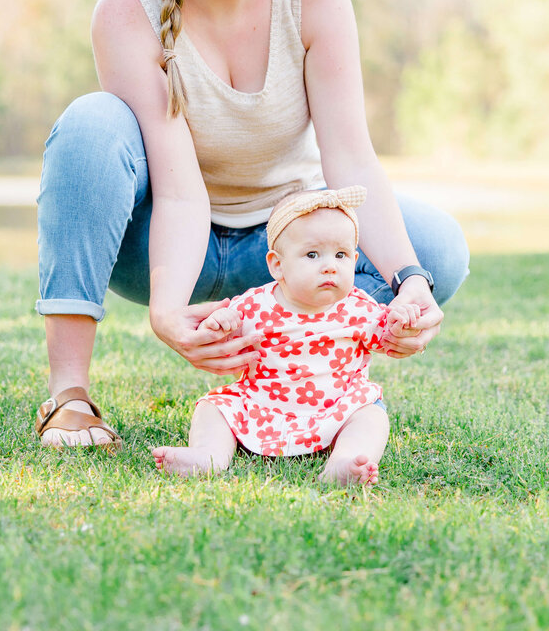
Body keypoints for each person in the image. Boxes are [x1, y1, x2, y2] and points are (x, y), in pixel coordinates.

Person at [34, 0, 469, 450]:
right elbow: (179, 188)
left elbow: (350, 155)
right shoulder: (130, 7)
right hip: (162, 243)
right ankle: (69, 398)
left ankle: (316, 390)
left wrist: (410, 281)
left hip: (285, 246)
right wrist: (165, 310)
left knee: (436, 247)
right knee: (90, 125)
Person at [152, 186, 421, 485]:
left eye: (341, 255)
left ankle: (344, 462)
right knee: (213, 407)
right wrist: (220, 324)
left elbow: (386, 337)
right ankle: (208, 454)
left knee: (371, 413)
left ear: (354, 259)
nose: (330, 266)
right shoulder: (254, 305)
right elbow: (225, 345)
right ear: (277, 265)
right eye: (312, 254)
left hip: (336, 407)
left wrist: (400, 324)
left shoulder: (359, 307)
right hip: (262, 404)